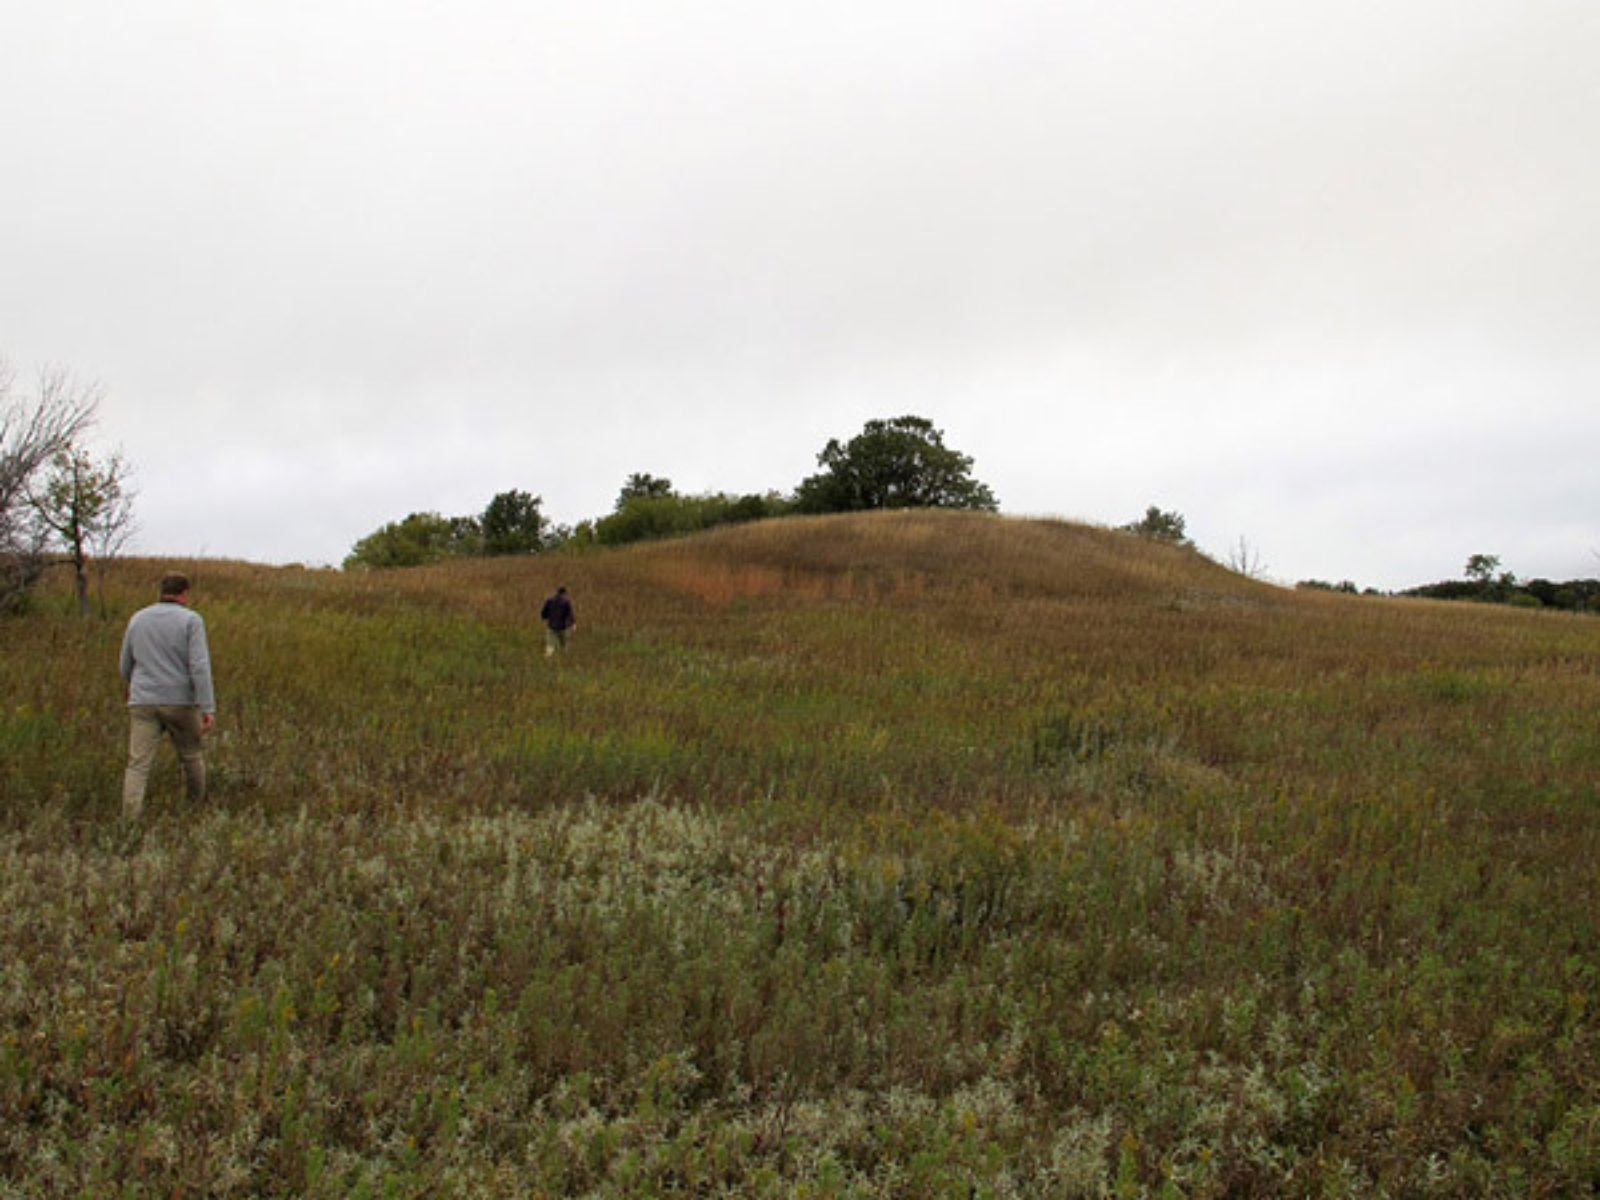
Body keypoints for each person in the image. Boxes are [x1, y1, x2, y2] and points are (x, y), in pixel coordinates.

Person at [119, 572, 215, 820]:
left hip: (143, 701)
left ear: (161, 592)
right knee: (191, 756)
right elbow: (199, 666)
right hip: (179, 701)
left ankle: (130, 818)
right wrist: (207, 707)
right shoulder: (191, 621)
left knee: (138, 764)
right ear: (185, 593)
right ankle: (196, 808)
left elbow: (124, 664)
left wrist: (132, 685)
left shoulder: (138, 619)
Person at [540, 585, 577, 658]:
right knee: (565, 645)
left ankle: (548, 657)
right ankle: (566, 658)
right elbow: (570, 613)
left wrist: (544, 617)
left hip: (551, 626)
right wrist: (573, 624)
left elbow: (544, 611)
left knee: (550, 645)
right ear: (564, 593)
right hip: (562, 627)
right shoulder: (566, 601)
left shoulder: (549, 600)